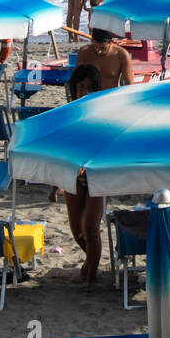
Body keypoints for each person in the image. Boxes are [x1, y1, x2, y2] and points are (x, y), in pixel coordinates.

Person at [63, 63, 107, 288]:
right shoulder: (66, 114)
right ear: (74, 87)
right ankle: (90, 265)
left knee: (90, 226)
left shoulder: (104, 114)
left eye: (90, 87)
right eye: (81, 86)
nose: (85, 91)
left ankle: (91, 273)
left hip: (97, 176)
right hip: (72, 177)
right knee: (77, 231)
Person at [75, 23, 134, 89]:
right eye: (95, 46)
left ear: (111, 42)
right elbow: (77, 80)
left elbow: (129, 84)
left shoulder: (121, 54)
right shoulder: (84, 52)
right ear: (92, 41)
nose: (99, 51)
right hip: (92, 96)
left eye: (103, 48)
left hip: (112, 96)